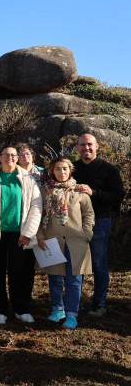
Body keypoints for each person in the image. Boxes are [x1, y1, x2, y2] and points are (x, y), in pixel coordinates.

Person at [0, 144, 42, 325]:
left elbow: (36, 206)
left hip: (20, 233)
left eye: (13, 155)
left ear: (17, 157)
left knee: (18, 271)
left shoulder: (27, 178)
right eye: (6, 155)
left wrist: (29, 233)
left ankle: (20, 308)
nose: (10, 158)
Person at [37, 157, 95, 329]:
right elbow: (37, 215)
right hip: (51, 240)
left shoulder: (80, 192)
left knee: (74, 279)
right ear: (51, 171)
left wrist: (86, 234)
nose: (61, 172)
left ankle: (72, 314)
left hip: (76, 242)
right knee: (54, 278)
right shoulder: (44, 191)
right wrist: (40, 236)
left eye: (65, 169)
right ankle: (57, 309)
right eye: (57, 169)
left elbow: (89, 215)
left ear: (70, 170)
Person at [72, 133, 125, 316]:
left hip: (100, 221)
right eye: (82, 145)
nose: (86, 148)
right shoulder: (72, 168)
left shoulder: (109, 170)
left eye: (89, 145)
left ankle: (98, 304)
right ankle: (74, 304)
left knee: (98, 263)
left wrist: (93, 192)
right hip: (74, 222)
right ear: (77, 148)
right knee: (75, 263)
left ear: (97, 147)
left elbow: (118, 195)